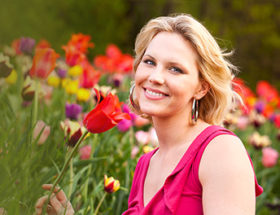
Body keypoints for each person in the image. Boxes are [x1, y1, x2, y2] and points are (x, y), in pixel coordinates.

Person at [35, 13, 263, 215]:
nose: (155, 76)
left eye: (175, 69)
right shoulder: (145, 165)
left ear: (201, 87)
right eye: (149, 62)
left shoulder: (220, 151)